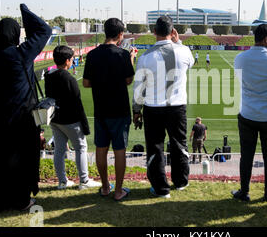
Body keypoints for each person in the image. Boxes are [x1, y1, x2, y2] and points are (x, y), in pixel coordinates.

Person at [0, 4, 52, 213]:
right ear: (15, 35)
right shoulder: (20, 55)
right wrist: (24, 10)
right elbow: (44, 30)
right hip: (20, 120)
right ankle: (21, 200)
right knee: (22, 162)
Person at [132, 15, 194, 198]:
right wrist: (179, 41)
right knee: (179, 144)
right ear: (172, 31)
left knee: (155, 147)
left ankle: (161, 189)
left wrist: (136, 110)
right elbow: (190, 62)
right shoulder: (184, 52)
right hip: (177, 107)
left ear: (154, 32)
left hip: (153, 108)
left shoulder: (145, 57)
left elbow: (138, 87)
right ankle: (181, 181)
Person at [83, 18, 136, 201]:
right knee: (119, 149)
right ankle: (118, 191)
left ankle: (105, 187)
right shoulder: (122, 54)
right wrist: (131, 59)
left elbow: (86, 83)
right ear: (120, 34)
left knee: (101, 148)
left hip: (100, 109)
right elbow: (129, 80)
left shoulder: (92, 55)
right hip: (119, 109)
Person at [232, 24, 267, 202]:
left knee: (246, 155)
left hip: (247, 113)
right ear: (266, 39)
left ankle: (244, 191)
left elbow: (240, 79)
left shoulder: (240, 58)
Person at [45, 45, 101, 190]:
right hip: (70, 120)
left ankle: (62, 181)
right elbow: (77, 103)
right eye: (72, 59)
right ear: (68, 61)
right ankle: (84, 181)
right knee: (81, 148)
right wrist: (85, 126)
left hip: (55, 119)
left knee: (59, 150)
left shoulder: (49, 75)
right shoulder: (68, 78)